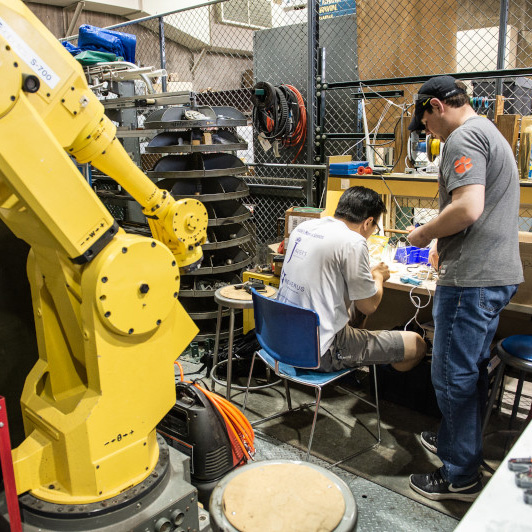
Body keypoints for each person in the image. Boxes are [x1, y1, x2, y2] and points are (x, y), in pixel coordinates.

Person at [407, 75, 523, 501]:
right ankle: (459, 443)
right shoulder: (490, 130)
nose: (429, 135)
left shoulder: (463, 137)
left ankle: (460, 476)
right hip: (495, 273)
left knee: (451, 375)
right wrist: (443, 239)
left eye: (426, 124)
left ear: (436, 106)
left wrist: (423, 234)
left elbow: (468, 207)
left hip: (473, 277)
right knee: (468, 370)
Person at [277, 186, 426, 374]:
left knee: (355, 313)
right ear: (368, 222)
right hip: (320, 352)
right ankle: (376, 381)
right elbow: (369, 306)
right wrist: (378, 276)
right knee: (417, 344)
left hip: (283, 340)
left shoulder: (305, 227)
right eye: (375, 227)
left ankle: (360, 362)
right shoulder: (353, 241)